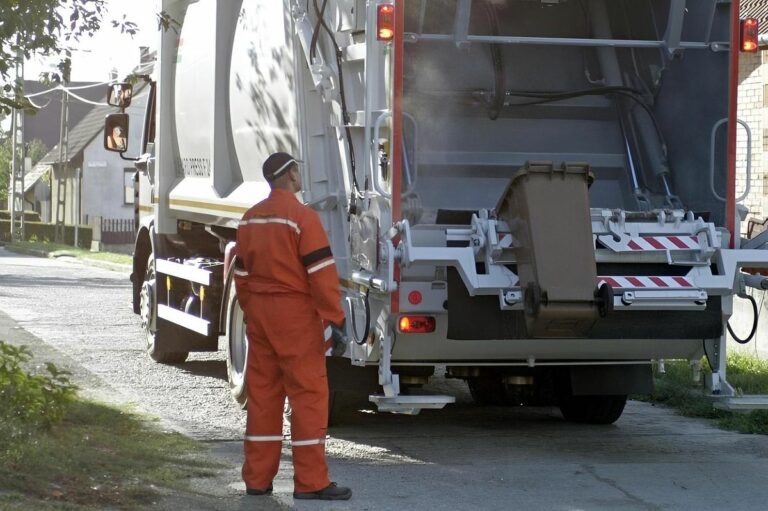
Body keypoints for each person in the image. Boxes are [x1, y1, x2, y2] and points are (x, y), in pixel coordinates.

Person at [234, 151, 352, 501]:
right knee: (308, 396)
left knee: (264, 398)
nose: (301, 176)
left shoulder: (250, 219)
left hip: (260, 316)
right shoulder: (302, 218)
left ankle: (257, 479)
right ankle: (311, 482)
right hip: (296, 318)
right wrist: (335, 318)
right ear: (290, 176)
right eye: (298, 171)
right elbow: (321, 274)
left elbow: (241, 275)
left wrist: (253, 311)